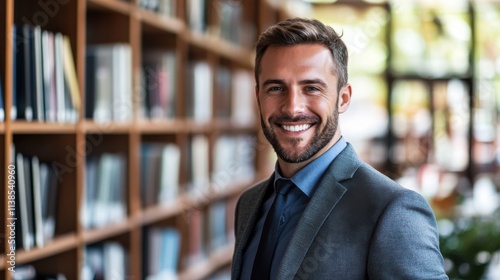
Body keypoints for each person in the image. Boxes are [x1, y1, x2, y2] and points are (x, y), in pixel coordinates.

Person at [231, 18, 448, 280]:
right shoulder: (249, 203)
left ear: (343, 98)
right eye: (276, 88)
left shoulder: (393, 211)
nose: (292, 107)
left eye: (311, 88)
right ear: (258, 97)